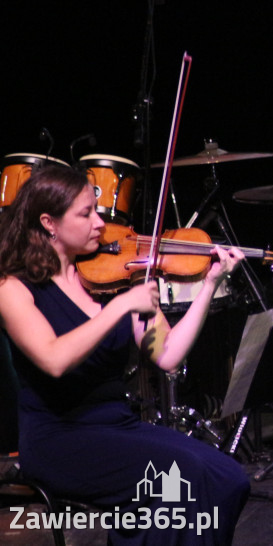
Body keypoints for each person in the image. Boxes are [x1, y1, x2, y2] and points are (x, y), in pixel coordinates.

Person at [0, 164, 251, 545]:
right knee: (181, 484)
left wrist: (209, 285)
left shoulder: (116, 278)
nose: (99, 223)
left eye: (97, 211)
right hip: (60, 438)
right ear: (49, 223)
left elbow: (167, 355)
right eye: (85, 214)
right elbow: (53, 358)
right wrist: (118, 309)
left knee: (228, 479)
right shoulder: (14, 289)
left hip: (119, 427)